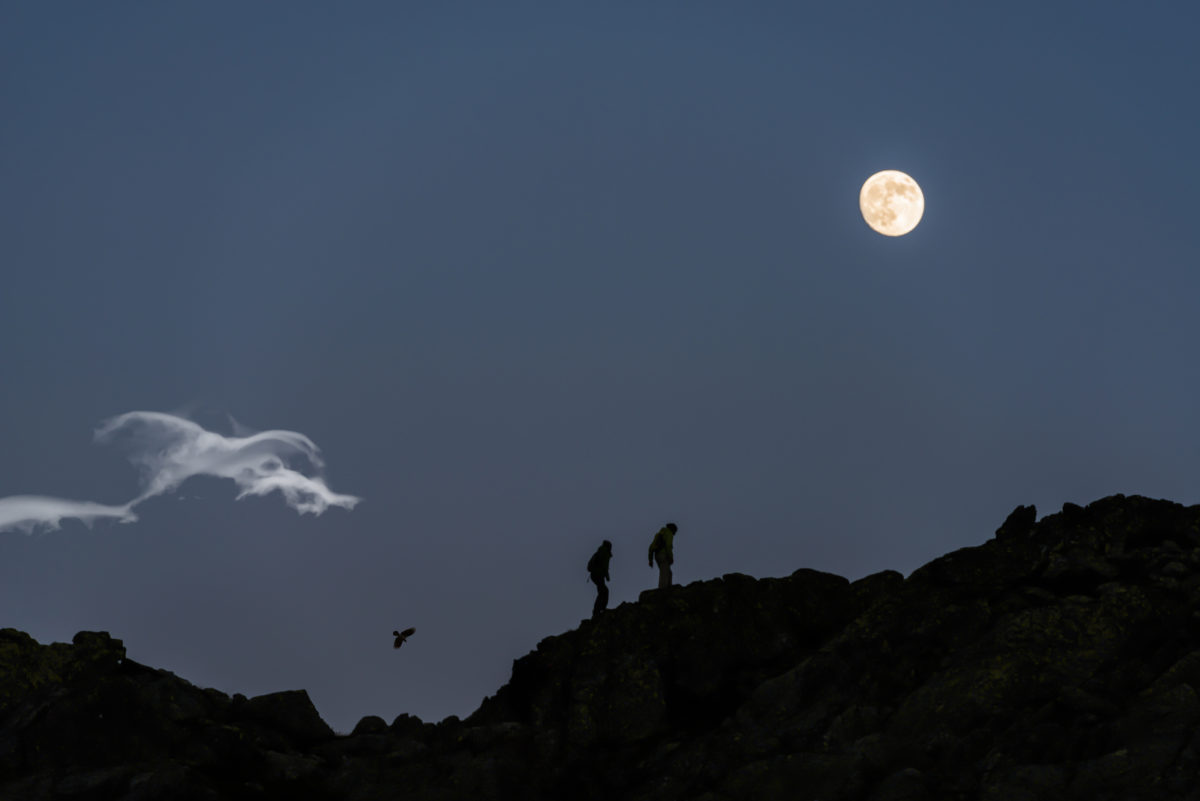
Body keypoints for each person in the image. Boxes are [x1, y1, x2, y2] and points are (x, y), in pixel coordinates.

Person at [587, 540, 613, 618]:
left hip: (594, 575)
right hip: (598, 575)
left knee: (602, 591)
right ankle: (599, 610)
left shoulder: (599, 552)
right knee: (604, 591)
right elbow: (604, 566)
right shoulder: (605, 553)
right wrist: (607, 576)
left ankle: (598, 610)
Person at [647, 523, 678, 589]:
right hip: (663, 555)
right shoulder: (669, 533)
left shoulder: (658, 534)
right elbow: (668, 546)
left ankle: (667, 588)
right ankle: (663, 589)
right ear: (673, 529)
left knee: (668, 572)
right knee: (665, 572)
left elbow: (651, 547)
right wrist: (671, 557)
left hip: (657, 556)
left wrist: (650, 560)